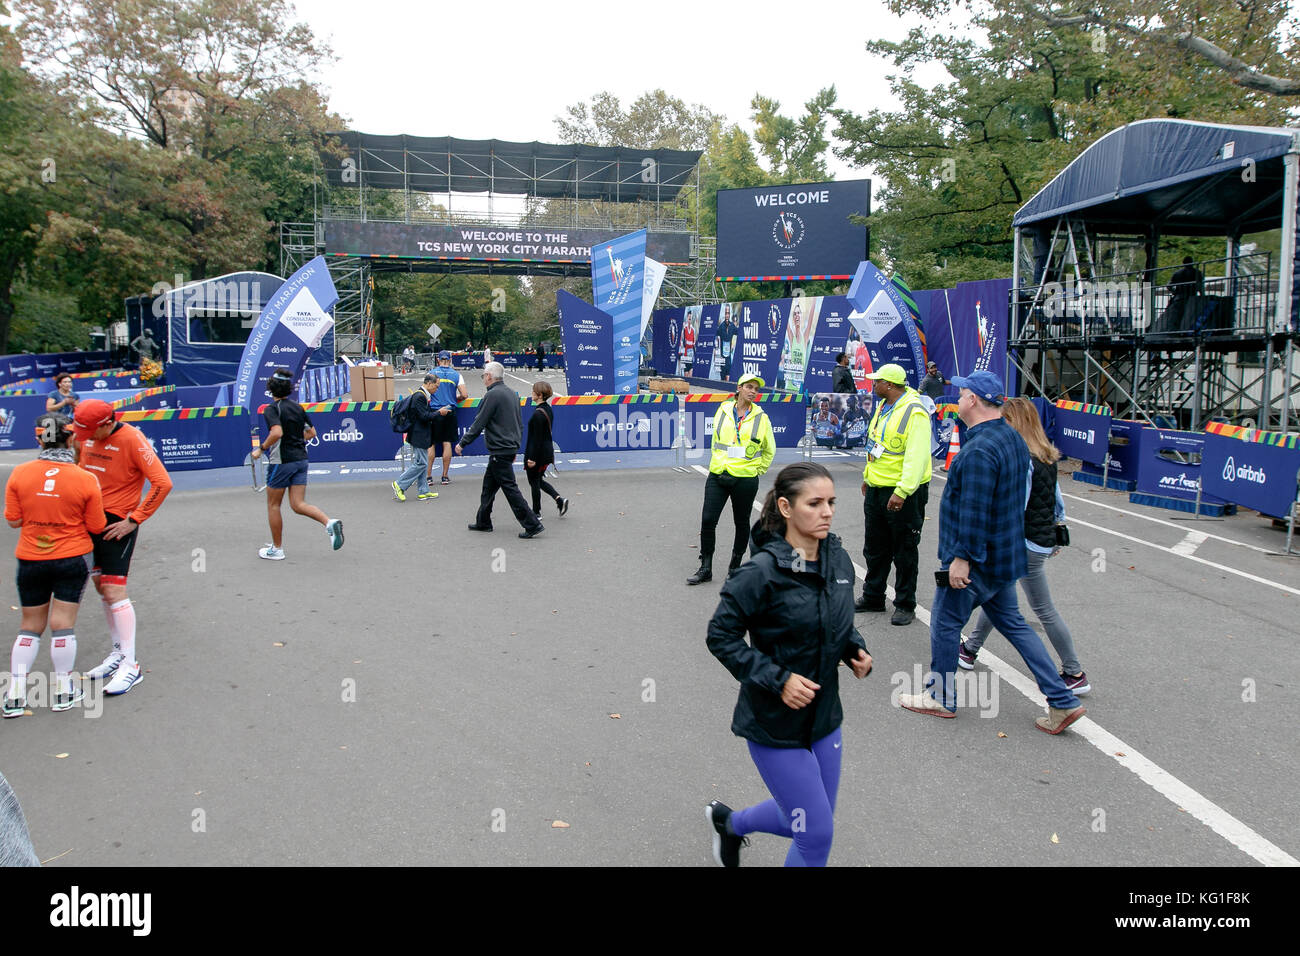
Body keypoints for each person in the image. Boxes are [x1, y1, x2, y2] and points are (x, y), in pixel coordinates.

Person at [896, 370, 1086, 734]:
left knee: (945, 623)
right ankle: (1062, 700)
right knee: (1014, 624)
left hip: (979, 558)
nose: (959, 397)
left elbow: (975, 509)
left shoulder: (980, 449)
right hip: (1004, 556)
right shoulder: (1012, 439)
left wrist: (961, 557)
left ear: (973, 400)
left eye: (963, 392)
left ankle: (940, 696)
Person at [704, 462, 873, 867]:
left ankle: (729, 824)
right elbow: (720, 636)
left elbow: (834, 619)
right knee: (815, 834)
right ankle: (730, 825)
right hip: (773, 722)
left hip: (824, 716)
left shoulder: (839, 561)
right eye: (814, 503)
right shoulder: (760, 573)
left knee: (803, 818)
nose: (827, 511)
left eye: (831, 502)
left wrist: (853, 647)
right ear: (785, 507)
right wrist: (778, 680)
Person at [959, 398, 1089, 694]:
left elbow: (1017, 505)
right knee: (998, 596)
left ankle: (1074, 671)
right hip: (1039, 539)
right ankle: (970, 647)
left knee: (1039, 608)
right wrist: (1057, 529)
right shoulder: (1045, 455)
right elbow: (1056, 500)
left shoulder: (1020, 458)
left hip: (1023, 542)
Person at [3, 413, 106, 717]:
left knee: (30, 625)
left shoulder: (20, 474)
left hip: (31, 558)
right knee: (63, 625)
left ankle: (15, 695)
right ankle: (63, 691)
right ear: (71, 438)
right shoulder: (86, 478)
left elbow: (13, 520)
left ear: (38, 439)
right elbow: (97, 525)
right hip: (72, 557)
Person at [73, 398, 173, 696]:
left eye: (91, 431)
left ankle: (131, 665)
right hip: (88, 521)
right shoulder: (88, 435)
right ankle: (117, 653)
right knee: (101, 587)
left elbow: (162, 483)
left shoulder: (132, 438)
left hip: (118, 524)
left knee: (115, 590)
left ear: (107, 423)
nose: (86, 437)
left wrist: (134, 519)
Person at [855, 363, 932, 626]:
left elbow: (917, 457)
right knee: (875, 548)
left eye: (876, 381)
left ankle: (905, 604)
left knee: (904, 550)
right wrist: (868, 477)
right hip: (877, 488)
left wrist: (902, 491)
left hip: (903, 493)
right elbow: (878, 446)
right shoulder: (884, 406)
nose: (873, 384)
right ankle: (873, 596)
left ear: (889, 384)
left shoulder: (915, 411)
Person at [687, 373, 776, 585]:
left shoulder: (761, 418)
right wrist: (717, 464)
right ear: (739, 388)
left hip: (745, 478)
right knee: (708, 520)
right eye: (749, 387)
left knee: (741, 522)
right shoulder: (724, 409)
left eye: (756, 388)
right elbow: (717, 441)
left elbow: (769, 450)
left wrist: (757, 470)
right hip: (719, 473)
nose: (753, 391)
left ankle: (735, 568)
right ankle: (705, 567)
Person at [250, 369, 345, 560]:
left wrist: (261, 448)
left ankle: (277, 549)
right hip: (301, 459)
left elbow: (276, 432)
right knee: (298, 504)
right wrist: (294, 438)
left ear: (271, 389)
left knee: (273, 505)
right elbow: (311, 433)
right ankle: (329, 523)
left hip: (282, 460)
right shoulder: (298, 408)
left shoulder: (271, 409)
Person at [455, 361, 544, 539]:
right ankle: (483, 521)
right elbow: (519, 423)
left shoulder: (492, 395)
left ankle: (532, 524)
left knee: (510, 488)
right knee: (488, 487)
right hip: (508, 447)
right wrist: (515, 445)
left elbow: (479, 422)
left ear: (489, 376)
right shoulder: (511, 393)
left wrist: (462, 443)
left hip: (499, 449)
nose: (483, 379)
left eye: (483, 376)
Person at [391, 373, 440, 503]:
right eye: (436, 386)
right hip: (418, 434)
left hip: (419, 434)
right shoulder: (419, 396)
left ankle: (423, 491)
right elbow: (424, 416)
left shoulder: (421, 395)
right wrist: (439, 413)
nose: (437, 389)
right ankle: (399, 484)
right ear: (429, 383)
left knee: (421, 462)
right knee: (421, 463)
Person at [524, 381, 569, 519]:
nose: (531, 393)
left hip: (538, 453)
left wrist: (531, 458)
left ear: (540, 395)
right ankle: (559, 500)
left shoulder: (538, 414)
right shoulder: (547, 409)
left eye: (533, 391)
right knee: (538, 480)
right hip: (547, 451)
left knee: (534, 482)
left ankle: (536, 512)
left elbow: (536, 439)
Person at [426, 350, 468, 486]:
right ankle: (444, 476)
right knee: (447, 442)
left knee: (431, 443)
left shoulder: (431, 373)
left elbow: (426, 393)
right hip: (450, 410)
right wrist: (455, 399)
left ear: (438, 359)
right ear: (450, 360)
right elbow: (465, 395)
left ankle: (428, 477)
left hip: (434, 411)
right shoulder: (456, 375)